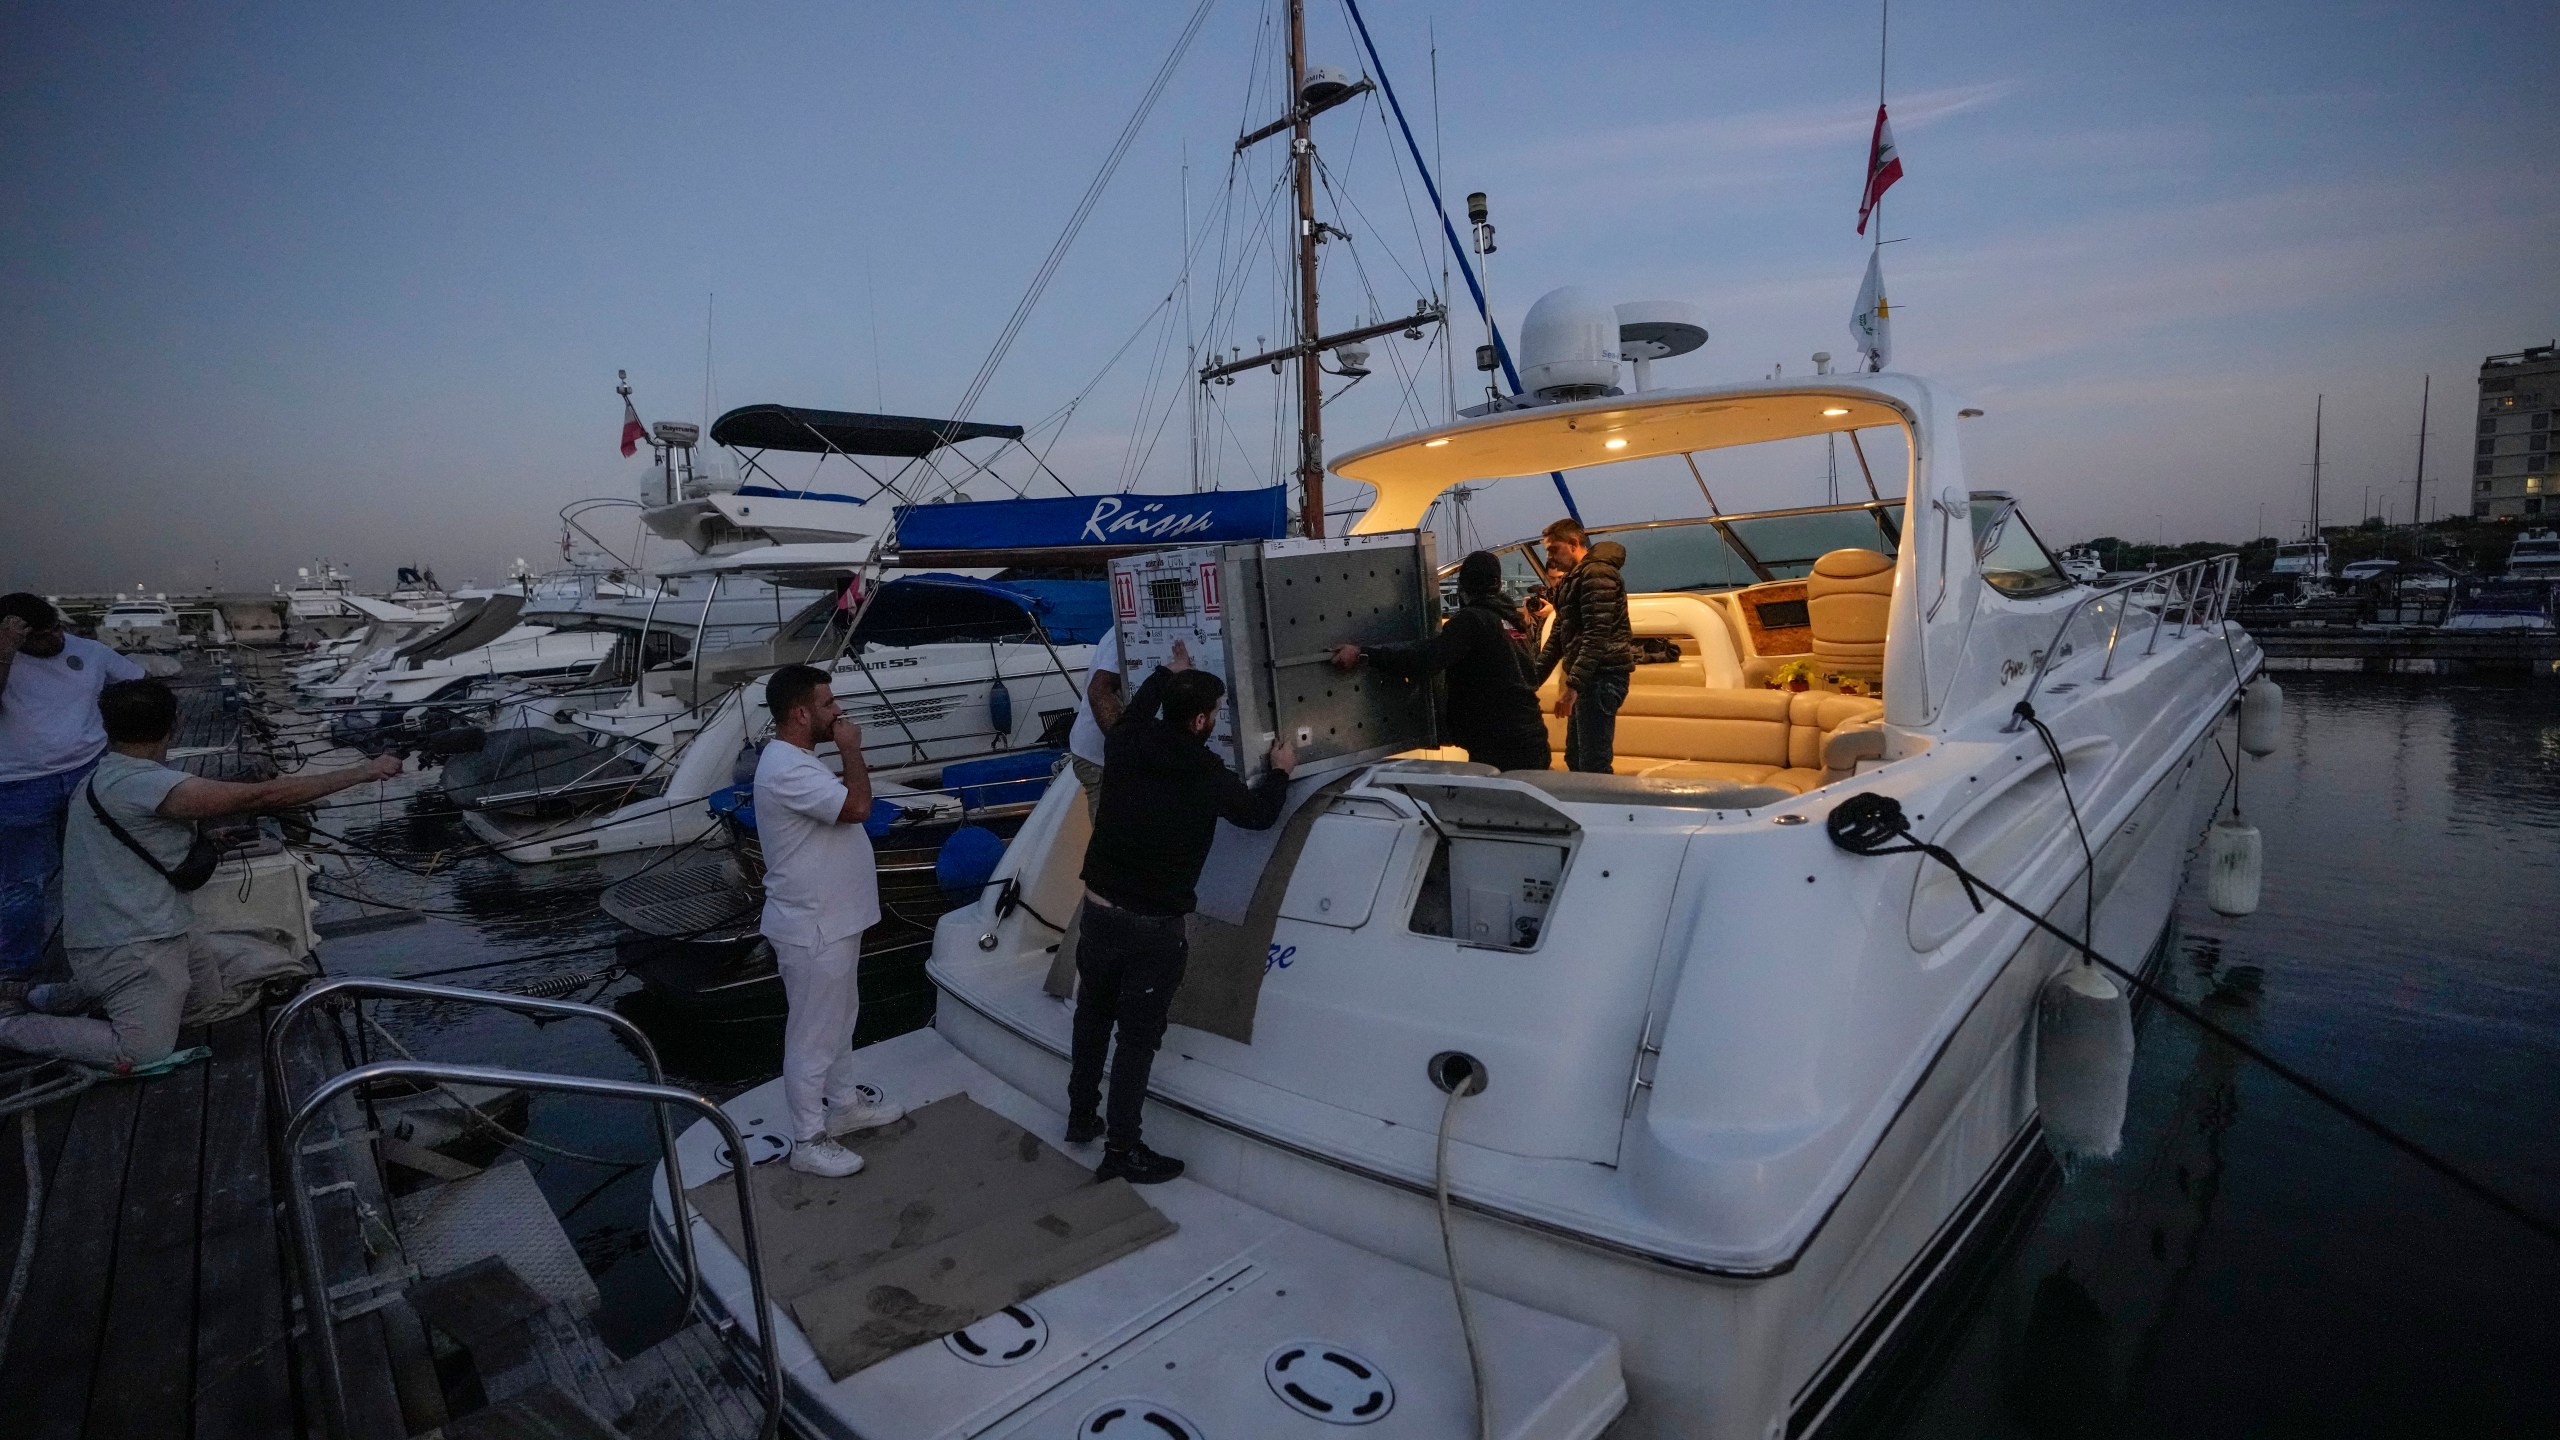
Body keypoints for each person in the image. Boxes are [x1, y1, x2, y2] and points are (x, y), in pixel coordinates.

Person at [0, 679, 399, 1067]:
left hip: (165, 929)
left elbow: (142, 834)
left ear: (106, 727)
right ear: (176, 723)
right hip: (130, 942)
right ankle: (11, 1026)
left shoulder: (106, 776)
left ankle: (65, 995)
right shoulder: (147, 783)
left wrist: (208, 837)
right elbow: (265, 795)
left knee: (208, 1005)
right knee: (142, 1051)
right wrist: (364, 771)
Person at [1070, 642, 1294, 1184]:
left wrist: (1163, 674)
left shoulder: (1124, 741)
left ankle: (1081, 1118)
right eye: (1214, 713)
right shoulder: (1205, 770)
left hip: (1097, 912)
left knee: (1092, 1019)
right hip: (1152, 930)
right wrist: (1282, 771)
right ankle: (1122, 1151)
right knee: (1136, 1043)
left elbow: (1136, 711)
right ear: (1201, 720)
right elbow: (1260, 816)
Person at [753, 663, 904, 1178]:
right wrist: (851, 747)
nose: (837, 710)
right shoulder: (787, 768)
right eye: (827, 703)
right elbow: (858, 806)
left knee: (839, 1023)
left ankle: (842, 1108)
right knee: (812, 1036)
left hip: (836, 921)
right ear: (800, 713)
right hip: (812, 927)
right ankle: (807, 1139)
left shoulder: (796, 759)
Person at [0, 593, 146, 979]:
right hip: (17, 786)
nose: (55, 640)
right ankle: (14, 972)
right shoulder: (5, 657)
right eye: (42, 636)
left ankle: (110, 954)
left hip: (88, 773)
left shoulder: (91, 651)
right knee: (22, 885)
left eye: (56, 629)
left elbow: (139, 685)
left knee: (101, 867)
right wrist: (6, 649)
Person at [1329, 551, 1549, 772]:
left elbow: (1426, 659)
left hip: (1500, 745)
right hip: (1530, 736)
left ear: (1462, 587)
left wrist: (1364, 654)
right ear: (1499, 584)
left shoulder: (1471, 621)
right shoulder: (1513, 621)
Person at [1532, 519, 1635, 774]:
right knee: (1576, 759)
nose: (1550, 558)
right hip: (1591, 678)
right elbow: (1559, 636)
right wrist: (1531, 681)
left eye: (1553, 549)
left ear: (1574, 544)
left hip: (1603, 677)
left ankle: (1604, 812)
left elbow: (1596, 635)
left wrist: (1573, 686)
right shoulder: (1574, 578)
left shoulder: (1596, 574)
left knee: (1593, 763)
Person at [1064, 623, 1124, 817]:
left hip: (1103, 753)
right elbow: (1099, 691)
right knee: (1112, 836)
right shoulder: (1124, 634)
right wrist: (1126, 748)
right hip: (1099, 759)